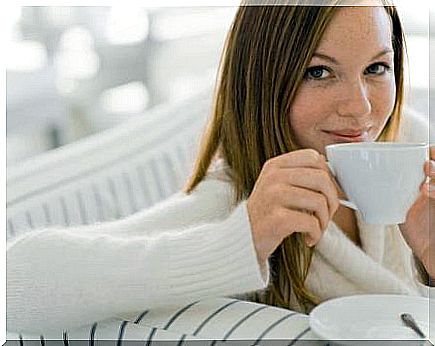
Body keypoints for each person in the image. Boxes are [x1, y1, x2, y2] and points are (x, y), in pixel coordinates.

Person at [7, 0, 434, 335]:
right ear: (264, 82)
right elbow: (18, 283)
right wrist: (242, 241)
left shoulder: (407, 140)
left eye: (376, 67)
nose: (360, 107)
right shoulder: (236, 200)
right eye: (319, 72)